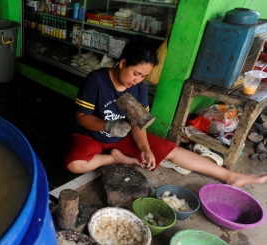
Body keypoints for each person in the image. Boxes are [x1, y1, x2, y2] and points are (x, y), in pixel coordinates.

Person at [64, 39, 267, 188]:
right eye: (136, 73)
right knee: (75, 164)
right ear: (123, 63)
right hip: (93, 135)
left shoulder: (138, 88)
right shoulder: (97, 80)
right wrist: (107, 126)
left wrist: (144, 148)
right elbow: (81, 118)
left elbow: (138, 123)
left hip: (123, 138)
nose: (137, 80)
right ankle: (115, 159)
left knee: (172, 151)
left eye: (143, 76)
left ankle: (230, 176)